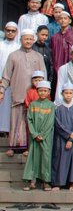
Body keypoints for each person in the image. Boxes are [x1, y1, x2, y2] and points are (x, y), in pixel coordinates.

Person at [2, 29, 46, 157]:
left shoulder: (38, 57)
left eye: (30, 39)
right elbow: (6, 75)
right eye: (26, 39)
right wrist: (2, 90)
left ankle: (28, 147)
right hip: (17, 93)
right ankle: (12, 147)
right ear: (21, 40)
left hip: (33, 96)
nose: (28, 41)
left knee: (30, 122)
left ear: (34, 40)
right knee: (15, 120)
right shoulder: (13, 55)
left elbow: (43, 75)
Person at [22, 80, 55, 191]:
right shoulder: (33, 104)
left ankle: (46, 181)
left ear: (49, 92)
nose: (42, 93)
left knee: (45, 157)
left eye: (45, 91)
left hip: (46, 137)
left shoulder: (51, 105)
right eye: (40, 91)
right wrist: (35, 134)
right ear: (37, 91)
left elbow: (50, 122)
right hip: (34, 136)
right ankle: (31, 180)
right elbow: (29, 120)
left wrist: (43, 135)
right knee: (32, 157)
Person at [51, 82, 73, 191]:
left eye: (70, 93)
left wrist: (71, 139)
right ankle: (57, 183)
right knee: (58, 160)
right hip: (60, 139)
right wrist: (68, 135)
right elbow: (57, 124)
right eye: (66, 93)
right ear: (62, 94)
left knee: (71, 161)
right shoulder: (57, 108)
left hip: (71, 141)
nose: (68, 95)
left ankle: (71, 183)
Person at [0, 22, 20, 135]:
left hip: (14, 81)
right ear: (5, 30)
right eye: (8, 30)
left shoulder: (18, 47)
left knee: (9, 106)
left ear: (16, 32)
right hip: (1, 80)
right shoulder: (0, 45)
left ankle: (8, 130)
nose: (10, 32)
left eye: (13, 31)